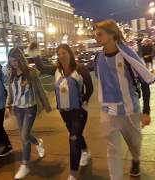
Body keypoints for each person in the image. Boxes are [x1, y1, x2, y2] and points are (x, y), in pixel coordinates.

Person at [95, 20, 155, 180]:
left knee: (135, 143)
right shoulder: (98, 57)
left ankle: (136, 160)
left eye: (100, 34)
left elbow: (144, 81)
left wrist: (146, 111)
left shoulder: (128, 54)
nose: (96, 37)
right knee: (112, 150)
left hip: (130, 110)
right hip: (108, 112)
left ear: (112, 34)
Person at [34, 44, 94, 180]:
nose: (61, 55)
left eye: (64, 52)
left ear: (70, 53)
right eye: (59, 53)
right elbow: (42, 68)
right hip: (64, 112)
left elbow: (89, 87)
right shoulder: (57, 70)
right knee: (75, 134)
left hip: (79, 111)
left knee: (73, 139)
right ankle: (85, 151)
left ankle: (73, 173)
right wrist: (35, 53)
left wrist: (84, 101)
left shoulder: (80, 69)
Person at [5, 48, 52, 179]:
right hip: (18, 108)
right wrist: (8, 105)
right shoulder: (11, 73)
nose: (13, 63)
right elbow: (10, 92)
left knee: (24, 136)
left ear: (20, 59)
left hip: (30, 107)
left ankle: (25, 165)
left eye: (15, 60)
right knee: (24, 135)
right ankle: (38, 142)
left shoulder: (30, 72)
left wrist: (46, 105)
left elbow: (40, 89)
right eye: (11, 61)